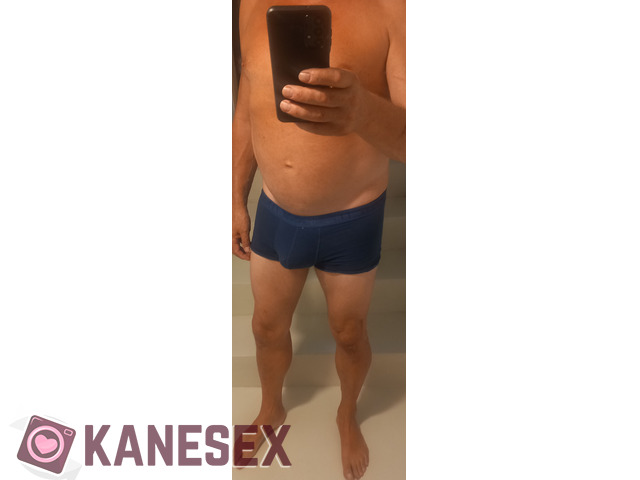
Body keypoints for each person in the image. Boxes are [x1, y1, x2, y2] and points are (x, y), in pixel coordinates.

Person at [232, 1, 405, 478]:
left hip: (354, 217)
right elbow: (247, 104)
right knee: (265, 328)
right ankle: (271, 408)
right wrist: (234, 196)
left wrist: (363, 110)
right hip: (276, 210)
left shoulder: (391, 8)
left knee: (349, 333)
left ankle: (347, 413)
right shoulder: (251, 4)